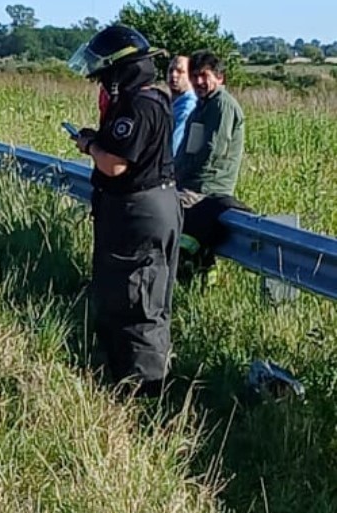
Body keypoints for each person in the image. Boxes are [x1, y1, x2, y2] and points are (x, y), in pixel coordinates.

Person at [68, 25, 182, 397]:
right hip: (139, 208)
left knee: (140, 298)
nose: (101, 83)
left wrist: (87, 145)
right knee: (124, 292)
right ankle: (123, 380)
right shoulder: (152, 99)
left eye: (104, 76)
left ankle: (145, 392)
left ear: (121, 69)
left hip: (141, 210)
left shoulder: (139, 105)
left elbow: (115, 165)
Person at [174, 50, 245, 205]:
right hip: (189, 184)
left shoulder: (221, 104)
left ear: (219, 77)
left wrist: (182, 174)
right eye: (194, 76)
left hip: (207, 189)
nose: (199, 81)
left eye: (204, 75)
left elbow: (212, 151)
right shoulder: (202, 105)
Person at [167, 55, 197, 155]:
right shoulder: (172, 103)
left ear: (191, 76)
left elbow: (173, 147)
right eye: (171, 70)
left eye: (180, 71)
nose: (173, 75)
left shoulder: (187, 107)